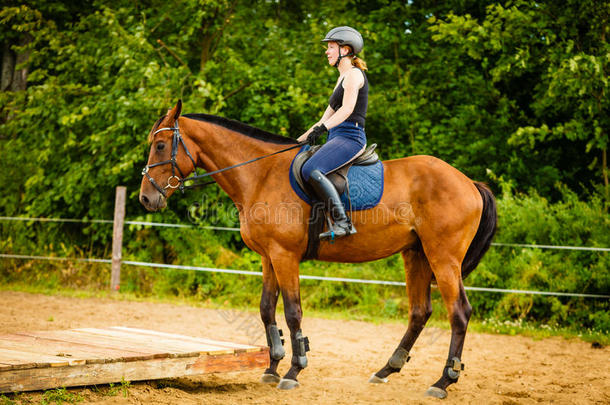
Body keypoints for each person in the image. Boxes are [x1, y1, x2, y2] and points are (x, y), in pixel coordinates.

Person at [297, 26, 369, 240]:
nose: (326, 52)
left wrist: (322, 129)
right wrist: (292, 142)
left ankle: (343, 223)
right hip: (336, 136)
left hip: (351, 137)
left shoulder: (355, 75)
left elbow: (347, 110)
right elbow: (323, 119)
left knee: (311, 168)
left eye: (330, 47)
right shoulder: (341, 79)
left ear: (345, 50)